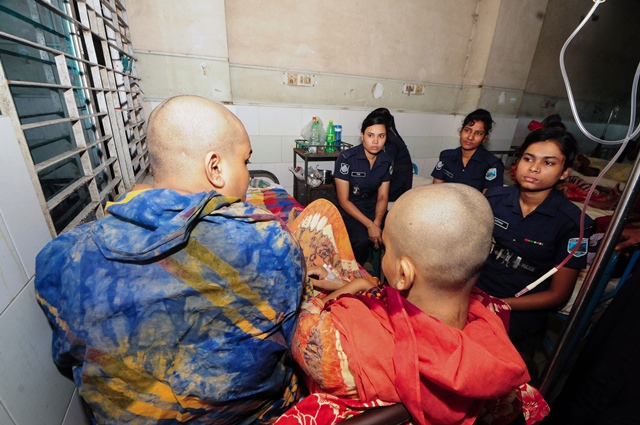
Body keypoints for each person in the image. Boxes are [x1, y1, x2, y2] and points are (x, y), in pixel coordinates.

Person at [34, 95, 304, 424]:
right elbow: (294, 342)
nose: (248, 177)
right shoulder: (271, 245)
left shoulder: (68, 256)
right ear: (215, 168)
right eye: (246, 162)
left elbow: (67, 356)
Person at [284, 184, 533, 425]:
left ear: (403, 274)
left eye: (387, 247)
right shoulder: (491, 320)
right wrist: (361, 285)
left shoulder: (337, 343)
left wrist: (342, 290)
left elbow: (299, 324)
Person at [475, 128, 595, 369]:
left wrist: (501, 304)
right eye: (528, 158)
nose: (534, 168)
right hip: (475, 292)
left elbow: (558, 295)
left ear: (564, 173)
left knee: (493, 368)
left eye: (548, 162)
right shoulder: (493, 200)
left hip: (520, 308)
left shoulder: (572, 224)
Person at [333, 111, 392, 265]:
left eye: (381, 136)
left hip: (373, 205)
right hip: (349, 207)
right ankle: (352, 273)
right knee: (360, 240)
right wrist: (370, 225)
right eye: (370, 135)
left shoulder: (386, 161)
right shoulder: (346, 158)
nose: (375, 141)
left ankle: (385, 275)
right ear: (362, 135)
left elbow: (383, 197)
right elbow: (344, 200)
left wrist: (377, 222)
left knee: (397, 233)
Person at [431, 108, 504, 192]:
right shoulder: (447, 157)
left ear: (485, 137)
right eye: (467, 130)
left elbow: (488, 200)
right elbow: (435, 190)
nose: (470, 137)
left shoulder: (492, 165)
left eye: (478, 133)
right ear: (460, 131)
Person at [370, 108, 413, 202]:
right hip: (399, 181)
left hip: (399, 187)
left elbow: (384, 168)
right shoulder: (388, 136)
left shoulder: (391, 142)